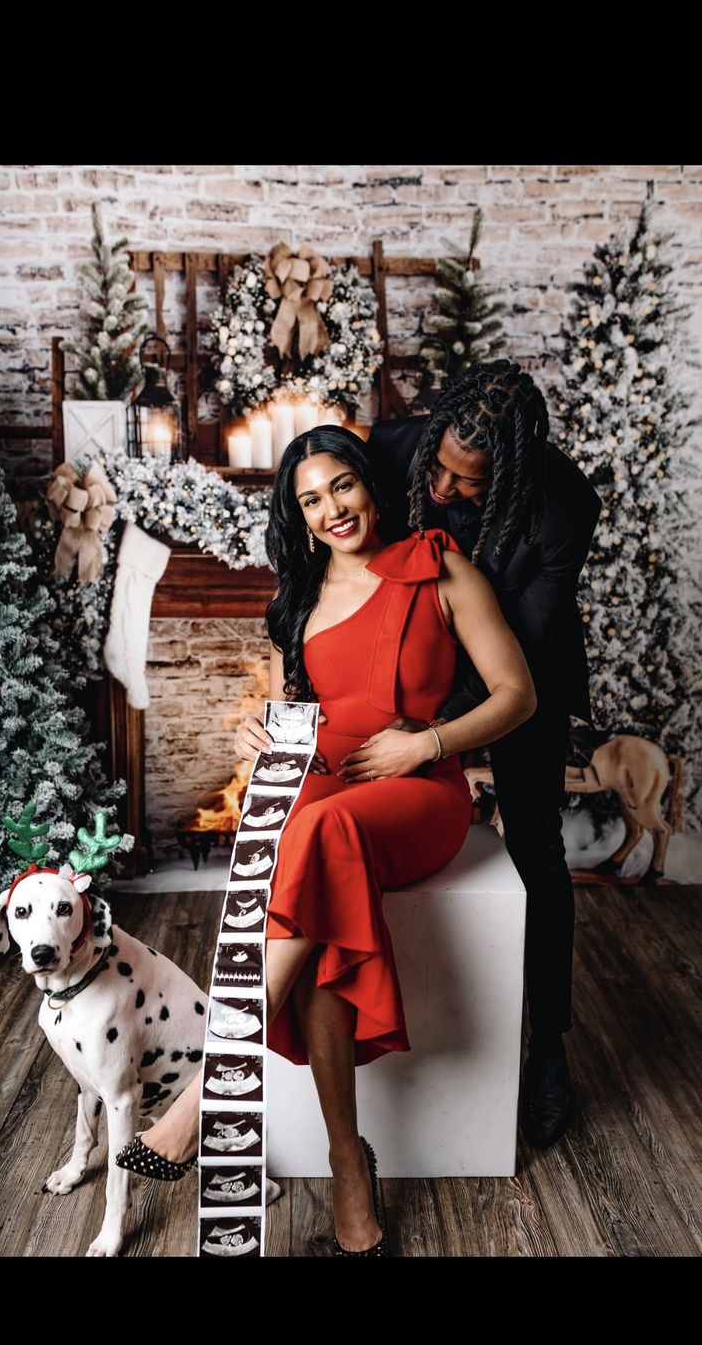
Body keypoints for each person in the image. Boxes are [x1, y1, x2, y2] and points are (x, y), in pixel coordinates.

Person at [117, 424, 536, 1255]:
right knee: (317, 864)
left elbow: (517, 693)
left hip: (418, 789)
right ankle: (350, 1163)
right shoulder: (301, 593)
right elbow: (291, 716)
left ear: (369, 483)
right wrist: (256, 739)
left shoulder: (439, 565)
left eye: (341, 486)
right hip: (323, 783)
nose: (332, 509)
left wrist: (430, 743)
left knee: (323, 832)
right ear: (298, 514)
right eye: (310, 499)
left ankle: (208, 1094)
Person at [368, 359, 602, 1147]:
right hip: (410, 657)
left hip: (521, 673)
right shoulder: (392, 449)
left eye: (468, 481)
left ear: (511, 470)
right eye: (437, 466)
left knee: (536, 846)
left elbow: (524, 645)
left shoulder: (565, 503)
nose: (440, 488)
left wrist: (438, 732)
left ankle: (548, 1051)